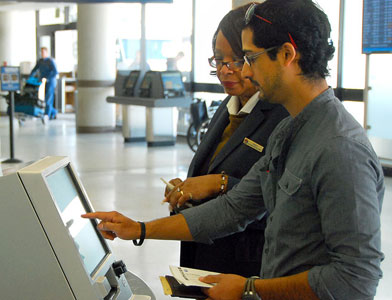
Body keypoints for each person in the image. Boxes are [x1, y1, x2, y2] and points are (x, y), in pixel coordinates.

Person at [83, 0, 384, 299]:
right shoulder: (288, 131)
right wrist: (139, 229)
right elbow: (235, 208)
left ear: (287, 54)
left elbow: (355, 278)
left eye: (250, 58)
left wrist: (250, 289)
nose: (246, 73)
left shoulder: (340, 149)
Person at [166, 3, 288, 278]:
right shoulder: (227, 106)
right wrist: (187, 190)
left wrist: (219, 186)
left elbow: (283, 201)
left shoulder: (283, 115)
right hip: (204, 254)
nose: (226, 70)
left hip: (246, 265)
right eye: (219, 60)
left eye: (237, 60)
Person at [29, 47, 58, 119]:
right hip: (43, 81)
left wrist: (47, 78)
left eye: (43, 52)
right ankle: (53, 113)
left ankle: (46, 115)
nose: (42, 53)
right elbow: (35, 69)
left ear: (46, 53)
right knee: (46, 98)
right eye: (41, 52)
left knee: (48, 98)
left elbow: (55, 72)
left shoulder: (50, 61)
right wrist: (30, 77)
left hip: (50, 82)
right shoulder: (40, 61)